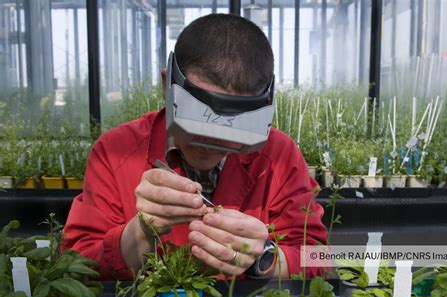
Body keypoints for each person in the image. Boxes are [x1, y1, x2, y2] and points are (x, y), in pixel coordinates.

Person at [63, 13, 327, 281]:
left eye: (231, 132)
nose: (212, 146)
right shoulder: (115, 152)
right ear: (168, 85)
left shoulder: (280, 155)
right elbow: (76, 264)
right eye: (200, 125)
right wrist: (140, 232)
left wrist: (266, 259)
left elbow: (324, 257)